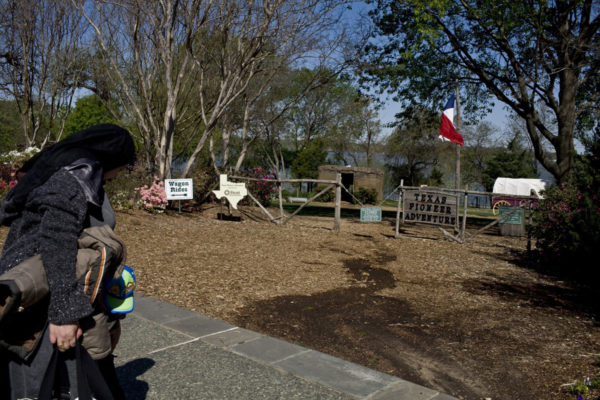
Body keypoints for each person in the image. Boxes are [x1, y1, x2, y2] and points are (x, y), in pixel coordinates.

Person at [0, 124, 136, 399]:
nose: (118, 175)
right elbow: (56, 244)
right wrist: (65, 314)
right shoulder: (72, 182)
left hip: (57, 289)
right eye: (122, 168)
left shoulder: (73, 173)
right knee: (49, 382)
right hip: (43, 295)